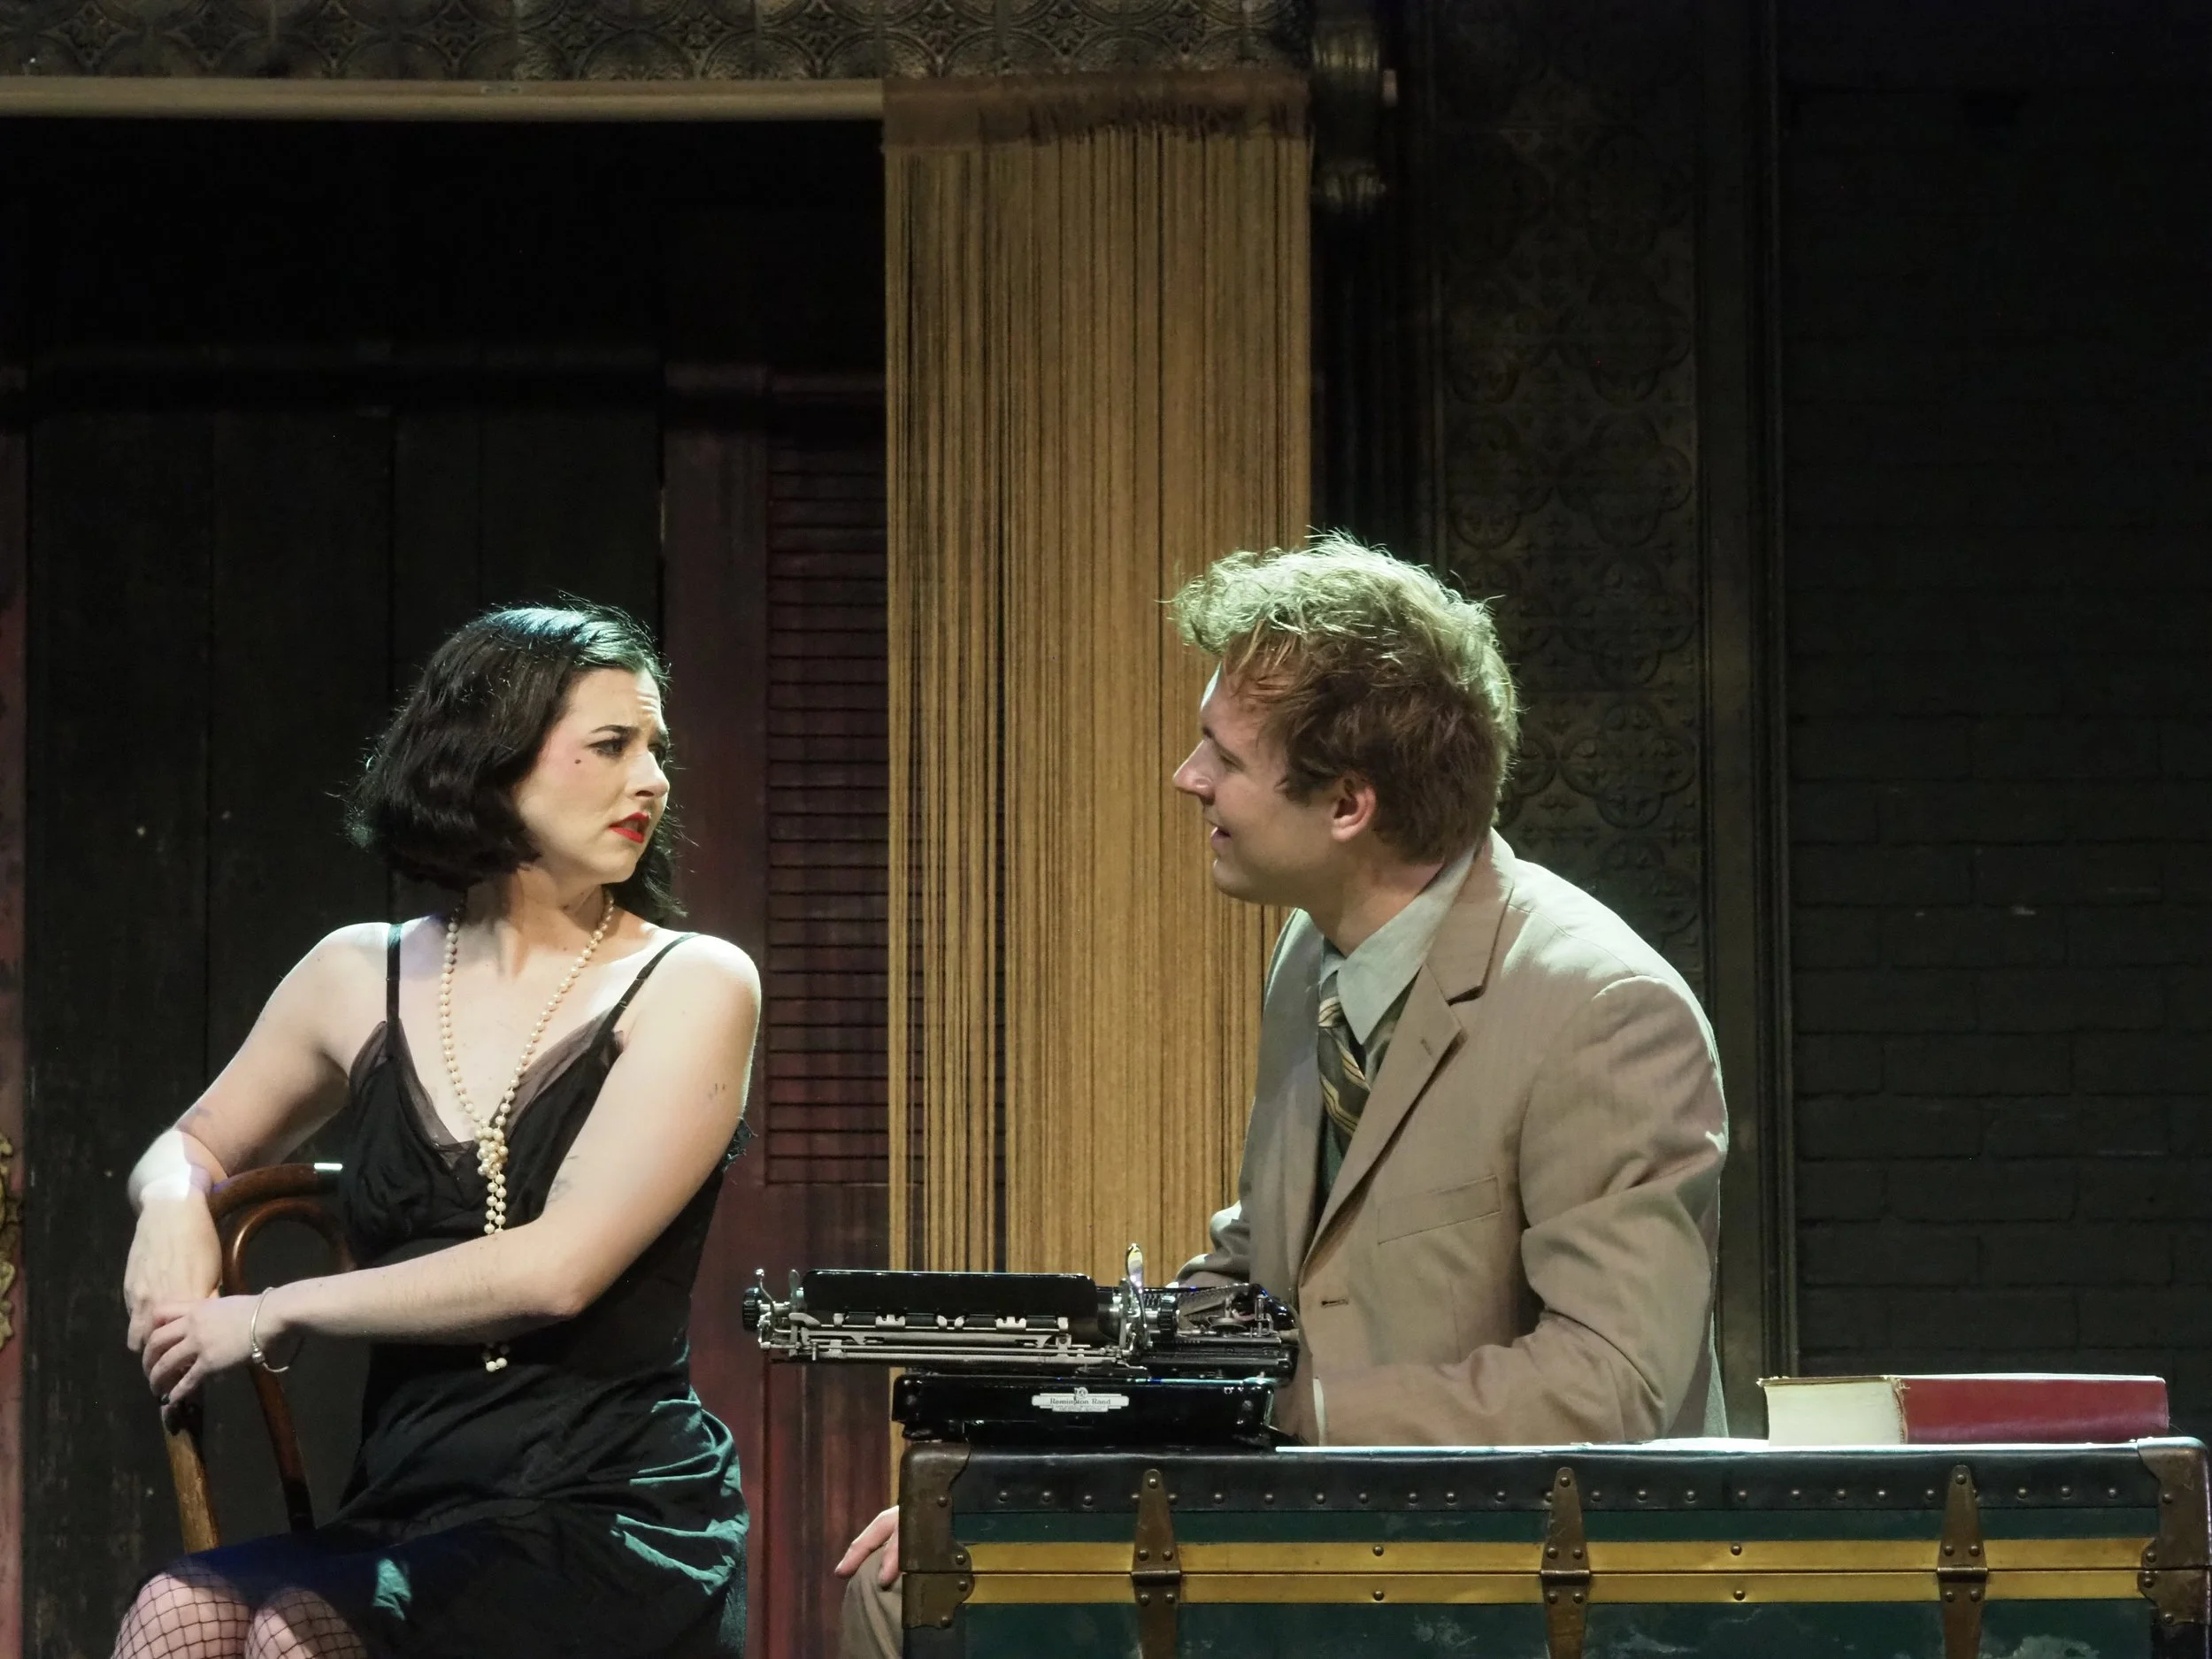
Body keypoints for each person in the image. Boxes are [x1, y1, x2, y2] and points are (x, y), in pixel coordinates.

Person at [834, 534, 1726, 1656]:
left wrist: (1284, 1416)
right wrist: (1048, 1458)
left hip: (1509, 1580)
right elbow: (1269, 1265)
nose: (1187, 777)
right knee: (906, 1589)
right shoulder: (1313, 952)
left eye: (1222, 754)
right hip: (1327, 1535)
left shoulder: (1601, 1009)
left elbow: (1611, 1385)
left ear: (1348, 803)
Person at [115, 604, 759, 1659]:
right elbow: (190, 1143)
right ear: (491, 759)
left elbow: (557, 1271)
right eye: (612, 746)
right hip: (411, 1494)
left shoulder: (690, 982)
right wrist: (174, 1197)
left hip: (607, 1509)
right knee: (176, 1615)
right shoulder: (355, 973)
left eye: (657, 751)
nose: (652, 781)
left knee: (293, 1638)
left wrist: (274, 1313)